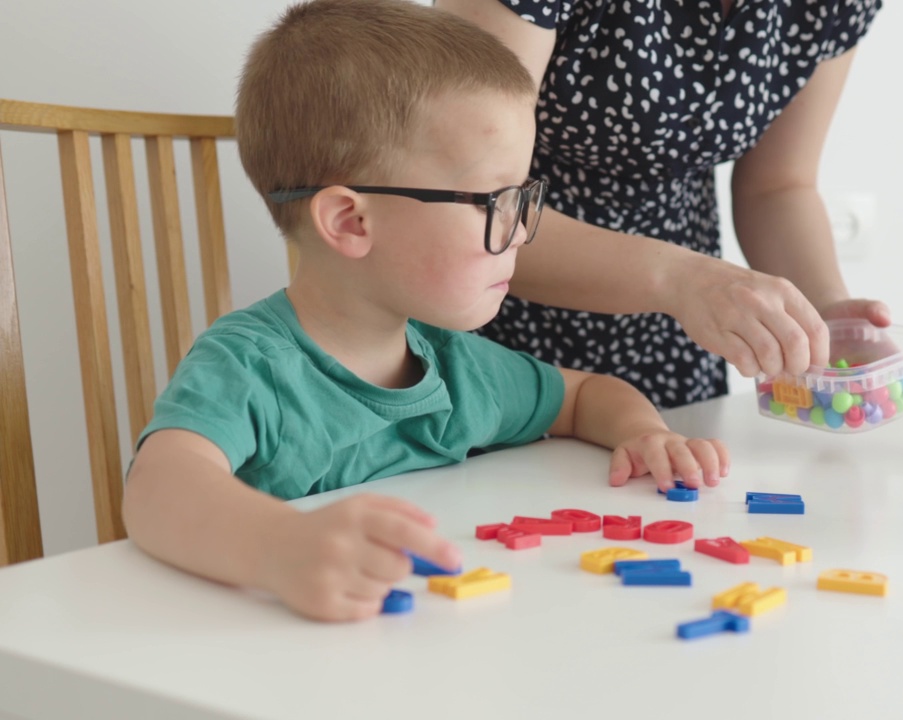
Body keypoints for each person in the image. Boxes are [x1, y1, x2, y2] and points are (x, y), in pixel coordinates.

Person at [121, 0, 729, 623]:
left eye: (522, 199)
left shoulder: (454, 364)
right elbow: (156, 488)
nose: (520, 232)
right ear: (352, 221)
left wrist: (645, 434)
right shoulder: (252, 366)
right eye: (493, 201)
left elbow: (585, 397)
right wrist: (279, 548)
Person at [436, 0, 890, 409]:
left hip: (674, 347)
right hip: (496, 337)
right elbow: (465, 204)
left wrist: (827, 316)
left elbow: (777, 187)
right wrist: (682, 279)